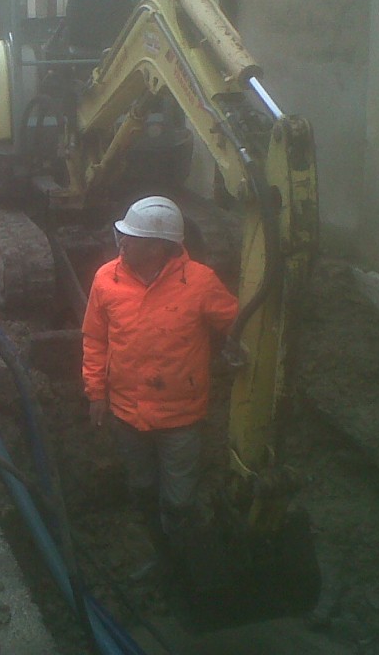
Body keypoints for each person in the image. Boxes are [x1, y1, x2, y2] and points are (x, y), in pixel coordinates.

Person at [81, 196, 238, 560]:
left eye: (131, 237)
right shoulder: (107, 278)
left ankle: (180, 554)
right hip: (126, 412)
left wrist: (245, 348)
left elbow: (238, 324)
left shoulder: (199, 282)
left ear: (158, 248)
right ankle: (156, 545)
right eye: (122, 234)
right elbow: (94, 339)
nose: (121, 242)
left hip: (180, 418)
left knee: (179, 499)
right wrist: (95, 394)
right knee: (141, 485)